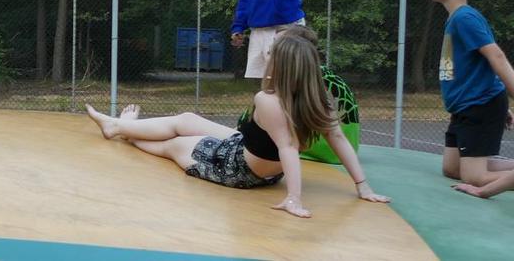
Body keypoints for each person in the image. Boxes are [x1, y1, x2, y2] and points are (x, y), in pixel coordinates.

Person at [86, 33, 389, 218]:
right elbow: (337, 138)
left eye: (270, 53)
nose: (266, 55)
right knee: (186, 119)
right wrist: (362, 186)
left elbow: (288, 148)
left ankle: (120, 129)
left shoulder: (268, 100)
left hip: (238, 168)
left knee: (172, 145)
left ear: (280, 66)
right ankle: (121, 125)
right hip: (253, 157)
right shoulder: (317, 98)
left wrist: (294, 198)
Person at [430, 0, 514, 189]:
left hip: (479, 104)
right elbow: (480, 64)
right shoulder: (456, 18)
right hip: (465, 106)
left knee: (474, 178)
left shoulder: (464, 18)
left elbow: (496, 56)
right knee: (452, 169)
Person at [237, 25, 360, 165]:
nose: (271, 49)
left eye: (277, 43)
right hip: (341, 149)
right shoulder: (317, 75)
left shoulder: (306, 81)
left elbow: (247, 125)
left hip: (326, 151)